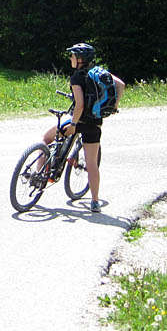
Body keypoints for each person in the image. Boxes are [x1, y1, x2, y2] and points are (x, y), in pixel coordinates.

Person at [42, 42, 125, 213]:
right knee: (92, 163)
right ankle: (95, 201)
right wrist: (114, 106)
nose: (70, 59)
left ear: (80, 59)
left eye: (72, 56)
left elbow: (79, 105)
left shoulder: (77, 77)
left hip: (77, 121)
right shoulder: (99, 73)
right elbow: (120, 85)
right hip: (94, 123)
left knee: (46, 139)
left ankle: (39, 178)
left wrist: (73, 125)